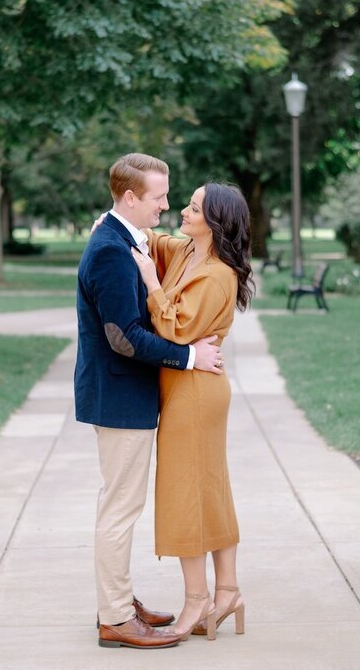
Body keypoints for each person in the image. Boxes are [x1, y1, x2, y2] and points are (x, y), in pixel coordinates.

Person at [75, 153, 226, 650]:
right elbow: (123, 337)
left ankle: (117, 602)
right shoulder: (111, 251)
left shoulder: (123, 239)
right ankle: (116, 618)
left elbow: (165, 248)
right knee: (120, 509)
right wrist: (188, 357)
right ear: (130, 197)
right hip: (120, 397)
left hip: (127, 397)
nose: (166, 205)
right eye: (159, 197)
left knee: (121, 506)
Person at [129, 182, 254, 641]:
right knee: (210, 489)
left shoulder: (218, 273)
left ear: (214, 222)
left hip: (196, 392)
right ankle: (229, 592)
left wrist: (150, 283)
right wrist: (117, 221)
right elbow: (156, 241)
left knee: (186, 495)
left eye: (194, 208)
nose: (182, 210)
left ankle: (198, 600)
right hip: (188, 388)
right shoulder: (189, 252)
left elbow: (177, 327)